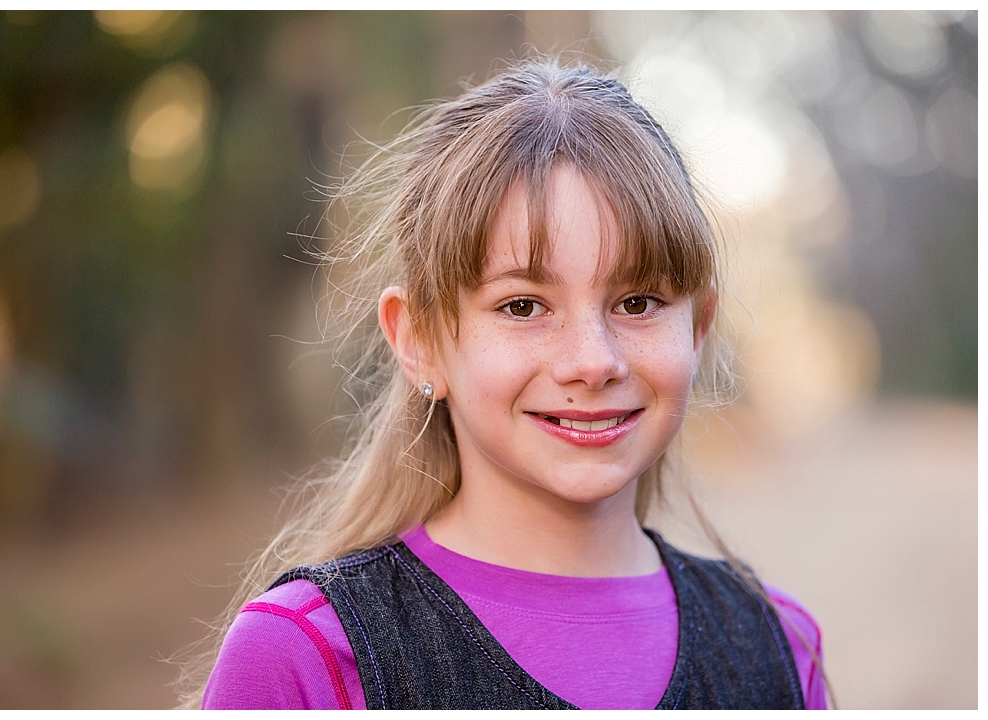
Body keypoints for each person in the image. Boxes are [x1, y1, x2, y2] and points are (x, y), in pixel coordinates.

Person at [185, 59, 828, 709]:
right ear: (420, 341)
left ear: (698, 328)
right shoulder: (305, 656)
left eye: (637, 302)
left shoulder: (777, 647)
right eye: (523, 305)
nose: (593, 361)